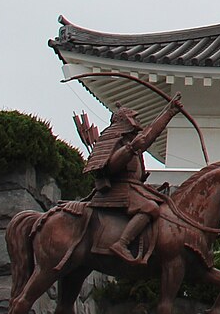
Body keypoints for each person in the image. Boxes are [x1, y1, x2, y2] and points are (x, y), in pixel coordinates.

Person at [73, 101, 180, 264]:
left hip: (134, 187)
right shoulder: (115, 141)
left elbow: (150, 135)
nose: (137, 122)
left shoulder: (133, 142)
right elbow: (110, 167)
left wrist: (169, 112)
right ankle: (122, 243)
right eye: (133, 118)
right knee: (150, 207)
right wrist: (129, 149)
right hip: (119, 188)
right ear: (125, 121)